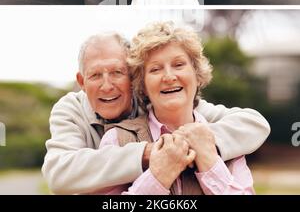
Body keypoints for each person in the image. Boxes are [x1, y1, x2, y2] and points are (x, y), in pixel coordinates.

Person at [42, 30, 270, 194]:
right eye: (95, 75)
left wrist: (203, 146)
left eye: (117, 72)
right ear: (82, 81)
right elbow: (58, 174)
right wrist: (150, 153)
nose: (107, 85)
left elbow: (253, 124)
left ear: (133, 77)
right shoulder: (71, 109)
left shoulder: (164, 101)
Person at [99, 22, 257, 194]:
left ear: (197, 75)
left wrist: (210, 161)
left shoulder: (227, 141)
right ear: (142, 84)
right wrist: (158, 177)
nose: (169, 76)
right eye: (155, 69)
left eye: (178, 65)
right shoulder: (116, 140)